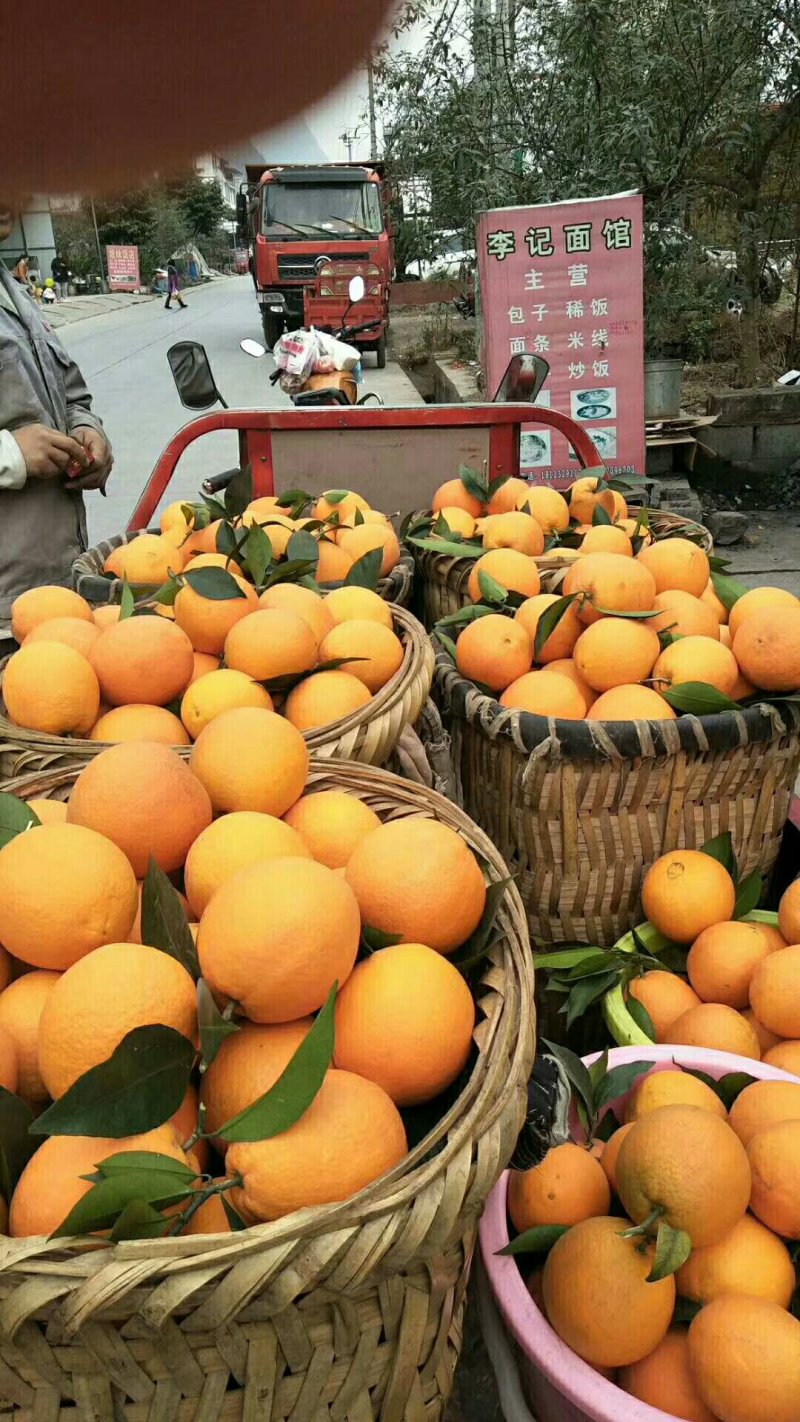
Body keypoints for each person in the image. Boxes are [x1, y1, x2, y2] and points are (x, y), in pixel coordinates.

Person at [0, 200, 113, 648]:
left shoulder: (15, 292)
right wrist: (10, 455)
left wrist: (89, 433)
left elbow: (69, 393)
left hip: (52, 592)